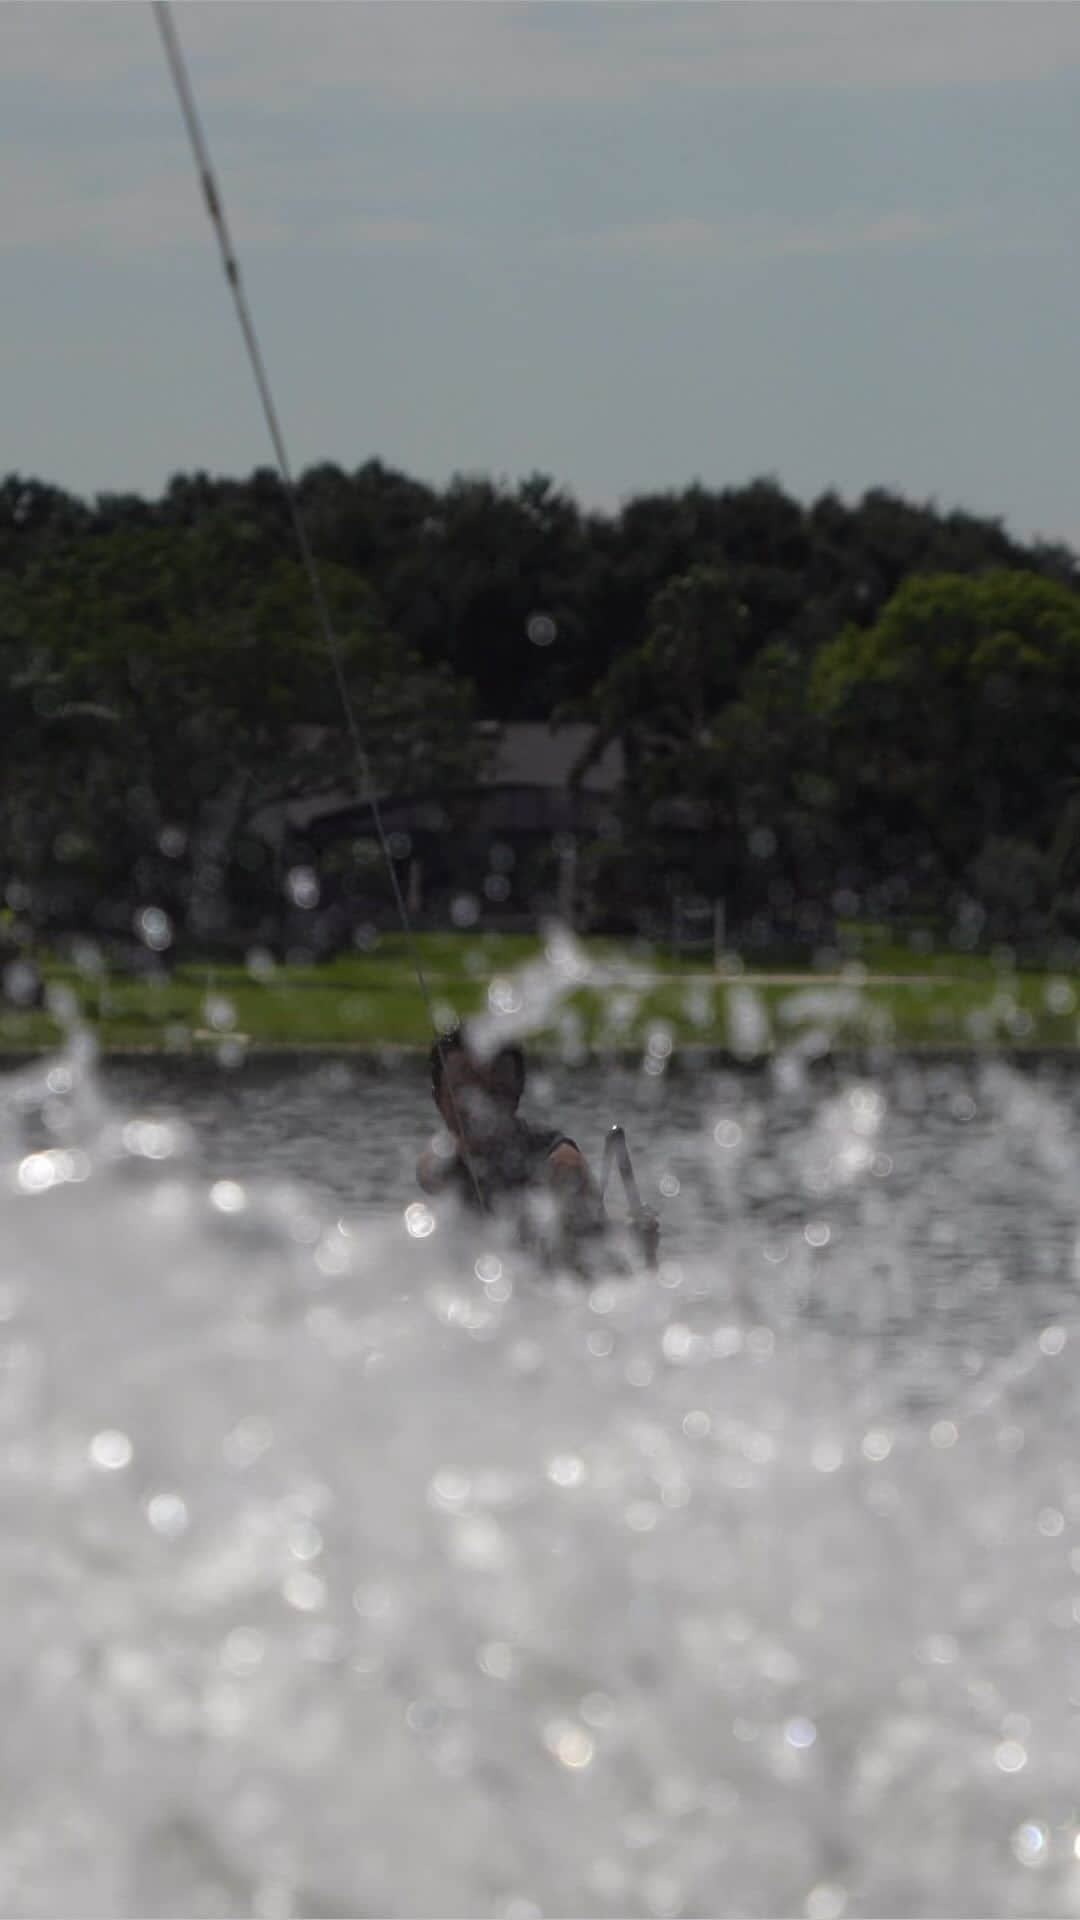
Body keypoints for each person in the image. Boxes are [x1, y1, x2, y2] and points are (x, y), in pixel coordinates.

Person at [417, 1025, 603, 1261]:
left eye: (495, 1091)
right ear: (439, 1099)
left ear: (517, 1092)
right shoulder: (438, 1168)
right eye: (463, 1093)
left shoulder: (558, 1165)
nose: (479, 1109)